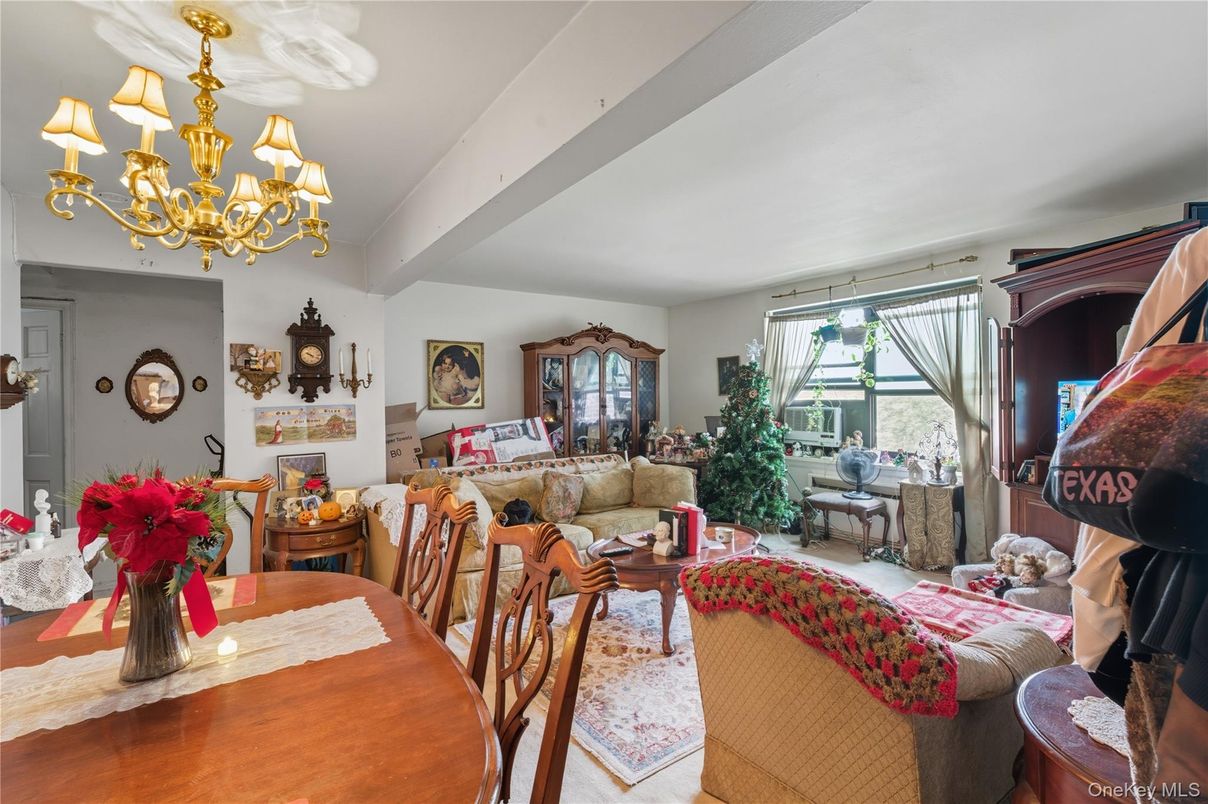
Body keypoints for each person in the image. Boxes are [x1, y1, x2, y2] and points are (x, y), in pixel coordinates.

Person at [1070, 226, 1207, 798]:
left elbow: (1125, 411)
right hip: (1172, 553)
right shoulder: (1198, 253)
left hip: (1165, 551)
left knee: (1170, 768)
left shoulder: (1196, 254)